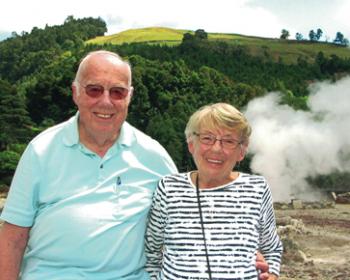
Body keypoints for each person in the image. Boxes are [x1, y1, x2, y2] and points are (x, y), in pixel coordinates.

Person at [0, 51, 270, 280]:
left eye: (117, 92)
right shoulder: (41, 150)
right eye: (94, 89)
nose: (106, 101)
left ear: (129, 96)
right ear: (75, 93)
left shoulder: (153, 156)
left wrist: (245, 252)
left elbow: (191, 217)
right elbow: (13, 236)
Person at [145, 103, 283, 280]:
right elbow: (151, 252)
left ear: (241, 151)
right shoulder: (169, 188)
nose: (216, 148)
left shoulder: (257, 188)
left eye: (229, 141)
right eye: (207, 138)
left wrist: (271, 273)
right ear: (191, 144)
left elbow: (272, 248)